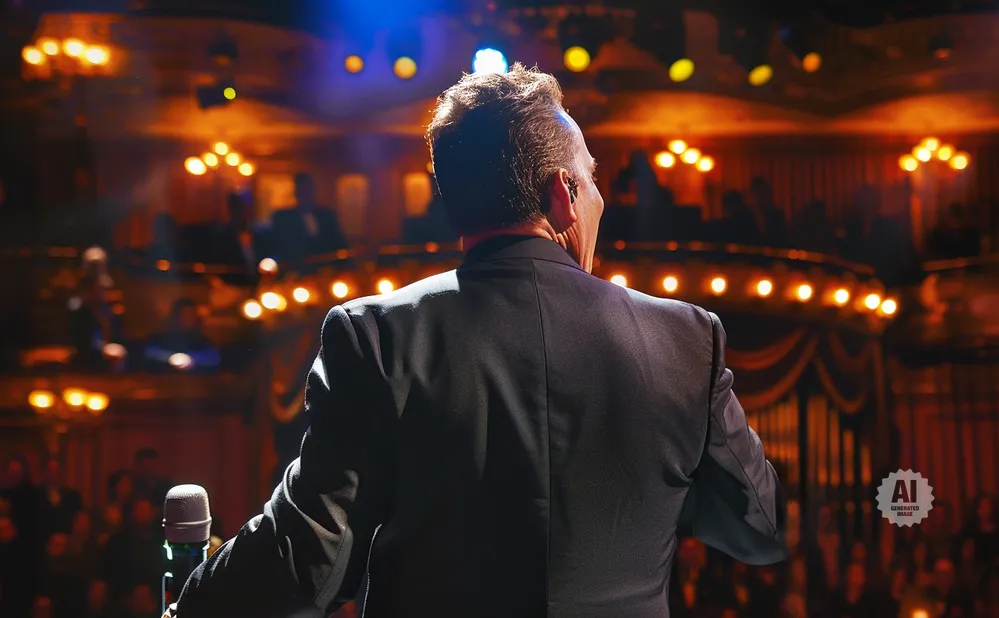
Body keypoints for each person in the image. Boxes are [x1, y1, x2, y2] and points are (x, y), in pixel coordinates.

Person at [175, 64, 786, 618]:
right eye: (592, 179)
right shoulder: (686, 339)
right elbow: (758, 527)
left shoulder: (376, 337)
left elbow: (309, 561)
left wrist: (187, 604)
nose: (602, 198)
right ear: (563, 195)